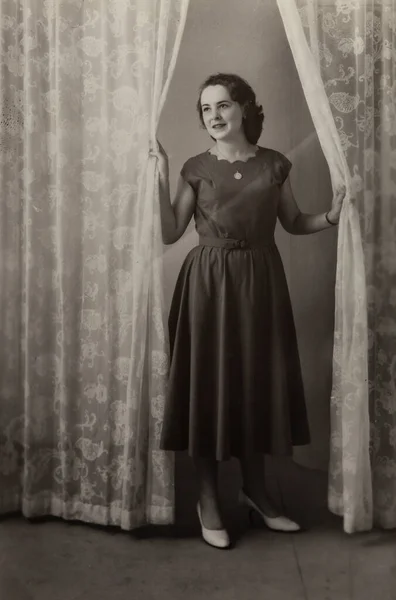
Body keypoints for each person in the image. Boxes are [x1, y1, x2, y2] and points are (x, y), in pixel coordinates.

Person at [154, 73, 345, 550]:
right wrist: (161, 173)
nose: (214, 117)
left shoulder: (275, 164)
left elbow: (294, 222)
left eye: (222, 106)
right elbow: (170, 231)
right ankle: (207, 499)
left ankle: (256, 492)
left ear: (243, 108)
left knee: (255, 386)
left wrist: (331, 217)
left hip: (261, 282)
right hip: (208, 284)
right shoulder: (196, 167)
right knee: (209, 387)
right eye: (205, 110)